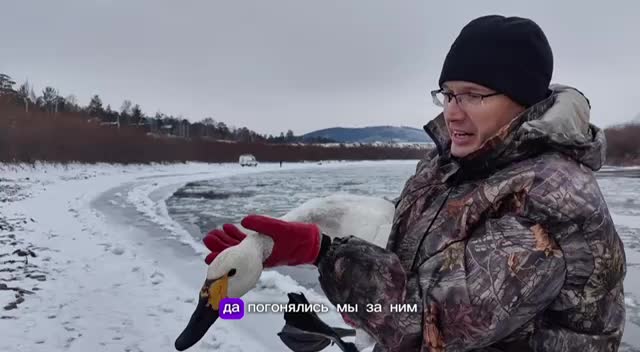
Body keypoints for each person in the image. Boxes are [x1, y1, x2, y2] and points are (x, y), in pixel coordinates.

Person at [202, 15, 626, 351]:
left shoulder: (553, 199)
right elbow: (407, 241)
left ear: (523, 101)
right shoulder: (449, 163)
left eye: (473, 95)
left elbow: (430, 324)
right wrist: (290, 244)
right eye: (447, 93)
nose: (452, 113)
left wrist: (324, 254)